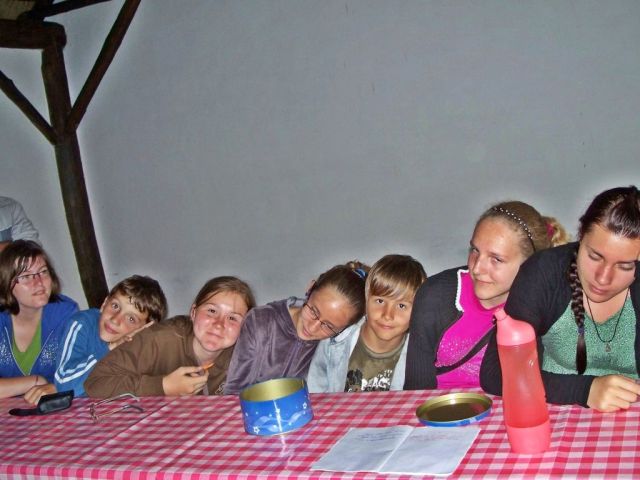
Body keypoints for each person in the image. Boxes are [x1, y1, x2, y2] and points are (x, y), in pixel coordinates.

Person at [481, 186, 640, 411]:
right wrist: (584, 390)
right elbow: (495, 372)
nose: (603, 278)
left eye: (624, 266)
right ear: (581, 235)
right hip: (553, 415)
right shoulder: (544, 273)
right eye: (594, 256)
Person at [404, 201, 569, 390]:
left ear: (530, 264)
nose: (477, 268)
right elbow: (417, 392)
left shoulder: (543, 305)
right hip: (439, 407)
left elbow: (537, 385)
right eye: (475, 250)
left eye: (496, 259)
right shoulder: (435, 295)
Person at [84, 276, 255, 398]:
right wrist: (163, 385)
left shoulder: (246, 354)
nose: (219, 324)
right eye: (211, 311)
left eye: (232, 318)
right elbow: (96, 383)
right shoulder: (159, 340)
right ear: (193, 312)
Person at [223, 261, 368, 395]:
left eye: (328, 326)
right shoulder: (261, 320)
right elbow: (234, 392)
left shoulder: (333, 345)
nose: (312, 328)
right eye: (313, 311)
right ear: (310, 288)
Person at [307, 254, 426, 393]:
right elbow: (314, 392)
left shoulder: (422, 355)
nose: (387, 315)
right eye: (380, 301)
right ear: (366, 299)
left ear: (418, 309)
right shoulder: (335, 340)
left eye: (401, 306)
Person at [54, 275, 168, 397]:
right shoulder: (82, 324)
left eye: (131, 319)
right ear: (104, 304)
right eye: (115, 306)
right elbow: (64, 386)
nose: (115, 319)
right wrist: (110, 348)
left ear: (144, 330)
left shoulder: (141, 346)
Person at [0, 240, 78, 403]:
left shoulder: (65, 313)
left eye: (43, 272)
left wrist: (57, 386)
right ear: (6, 283)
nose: (39, 282)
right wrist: (35, 382)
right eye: (26, 276)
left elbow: (84, 369)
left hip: (54, 411)